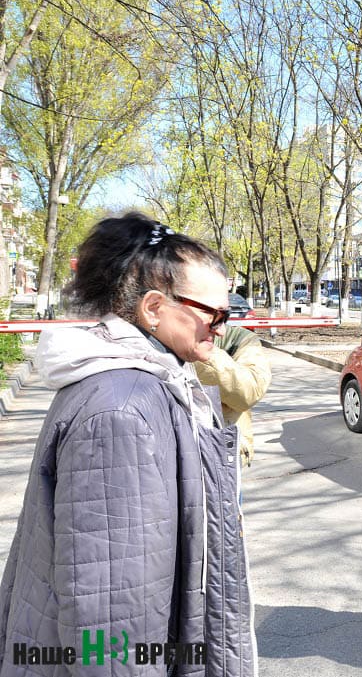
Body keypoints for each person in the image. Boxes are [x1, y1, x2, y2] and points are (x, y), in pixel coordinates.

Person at [0, 213, 257, 676]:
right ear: (154, 308)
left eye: (229, 313)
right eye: (213, 313)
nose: (222, 326)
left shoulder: (150, 382)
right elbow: (110, 616)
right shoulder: (123, 411)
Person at [194, 323, 273, 467]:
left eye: (223, 316)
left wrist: (200, 352)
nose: (221, 329)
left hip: (222, 459)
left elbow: (248, 393)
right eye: (208, 311)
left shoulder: (238, 339)